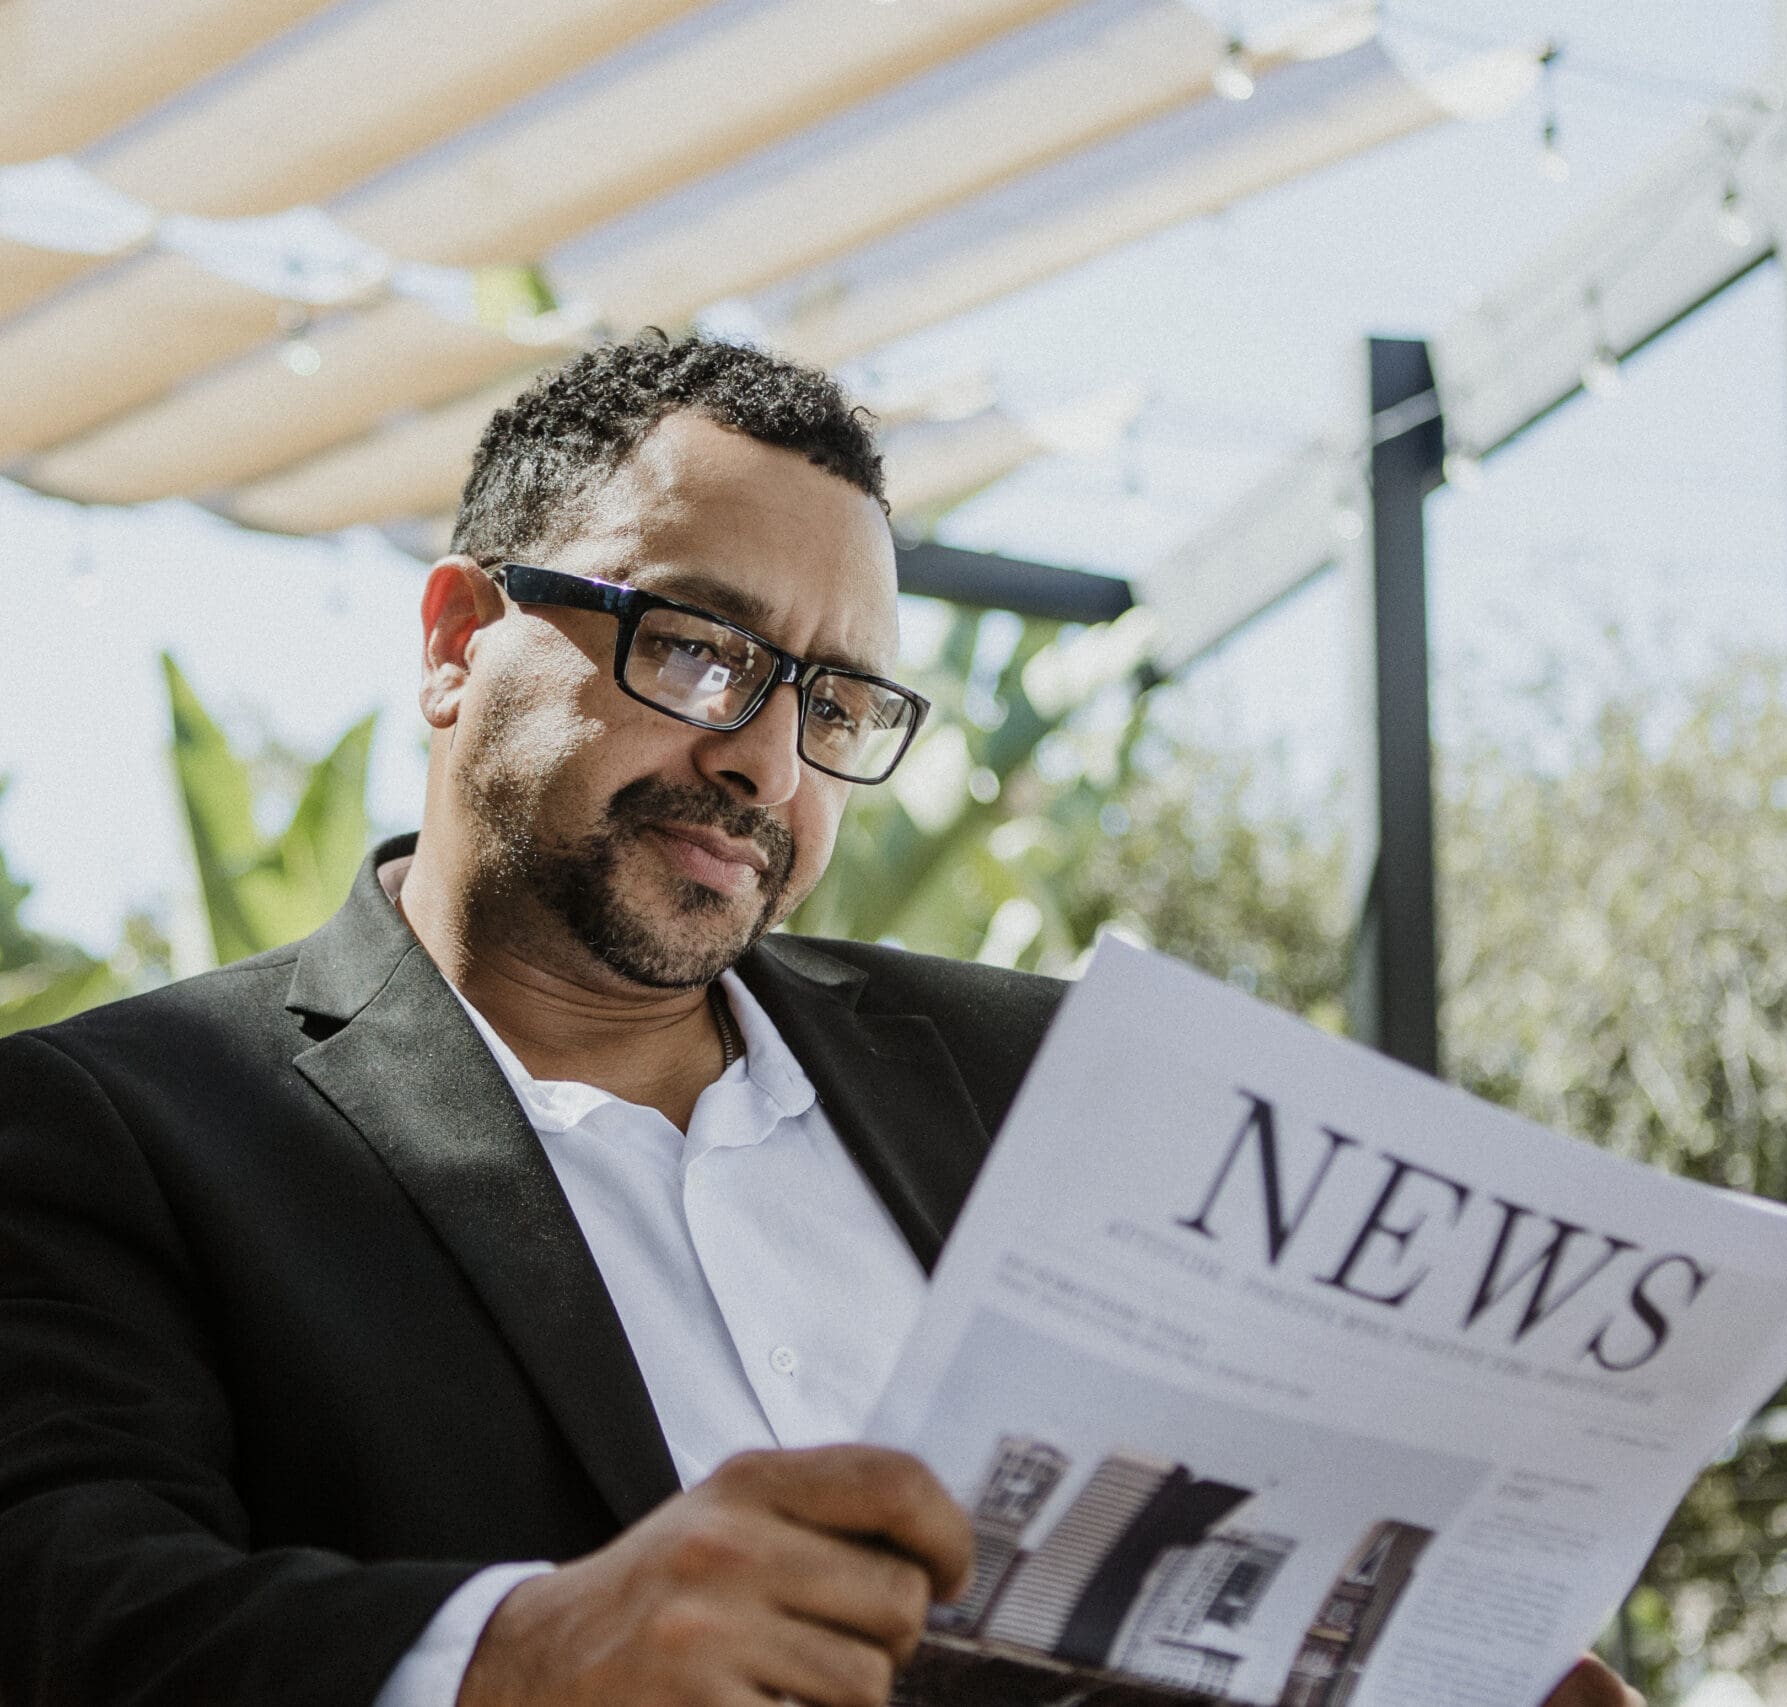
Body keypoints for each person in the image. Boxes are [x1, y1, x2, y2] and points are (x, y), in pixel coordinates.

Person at [0, 335, 1639, 1707]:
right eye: (703, 650)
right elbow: (64, 1607)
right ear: (453, 644)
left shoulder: (1054, 1079)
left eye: (837, 701)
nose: (767, 766)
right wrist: (515, 1657)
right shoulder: (123, 1130)